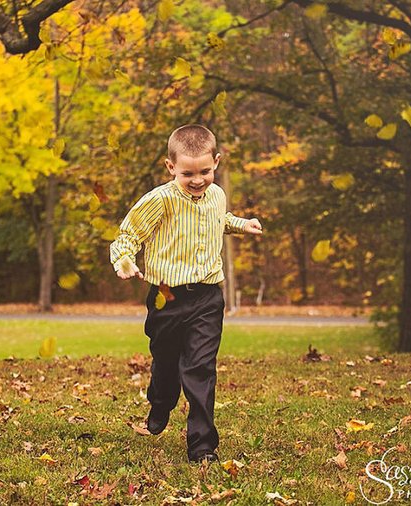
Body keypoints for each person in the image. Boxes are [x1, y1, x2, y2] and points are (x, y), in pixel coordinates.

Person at [110, 125, 263, 463]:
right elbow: (128, 234)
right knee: (166, 365)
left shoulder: (217, 194)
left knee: (200, 367)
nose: (197, 180)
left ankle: (202, 445)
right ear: (171, 167)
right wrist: (123, 259)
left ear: (216, 163)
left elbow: (216, 220)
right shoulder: (159, 200)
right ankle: (160, 404)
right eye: (188, 173)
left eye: (205, 171)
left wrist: (241, 224)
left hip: (208, 297)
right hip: (167, 297)